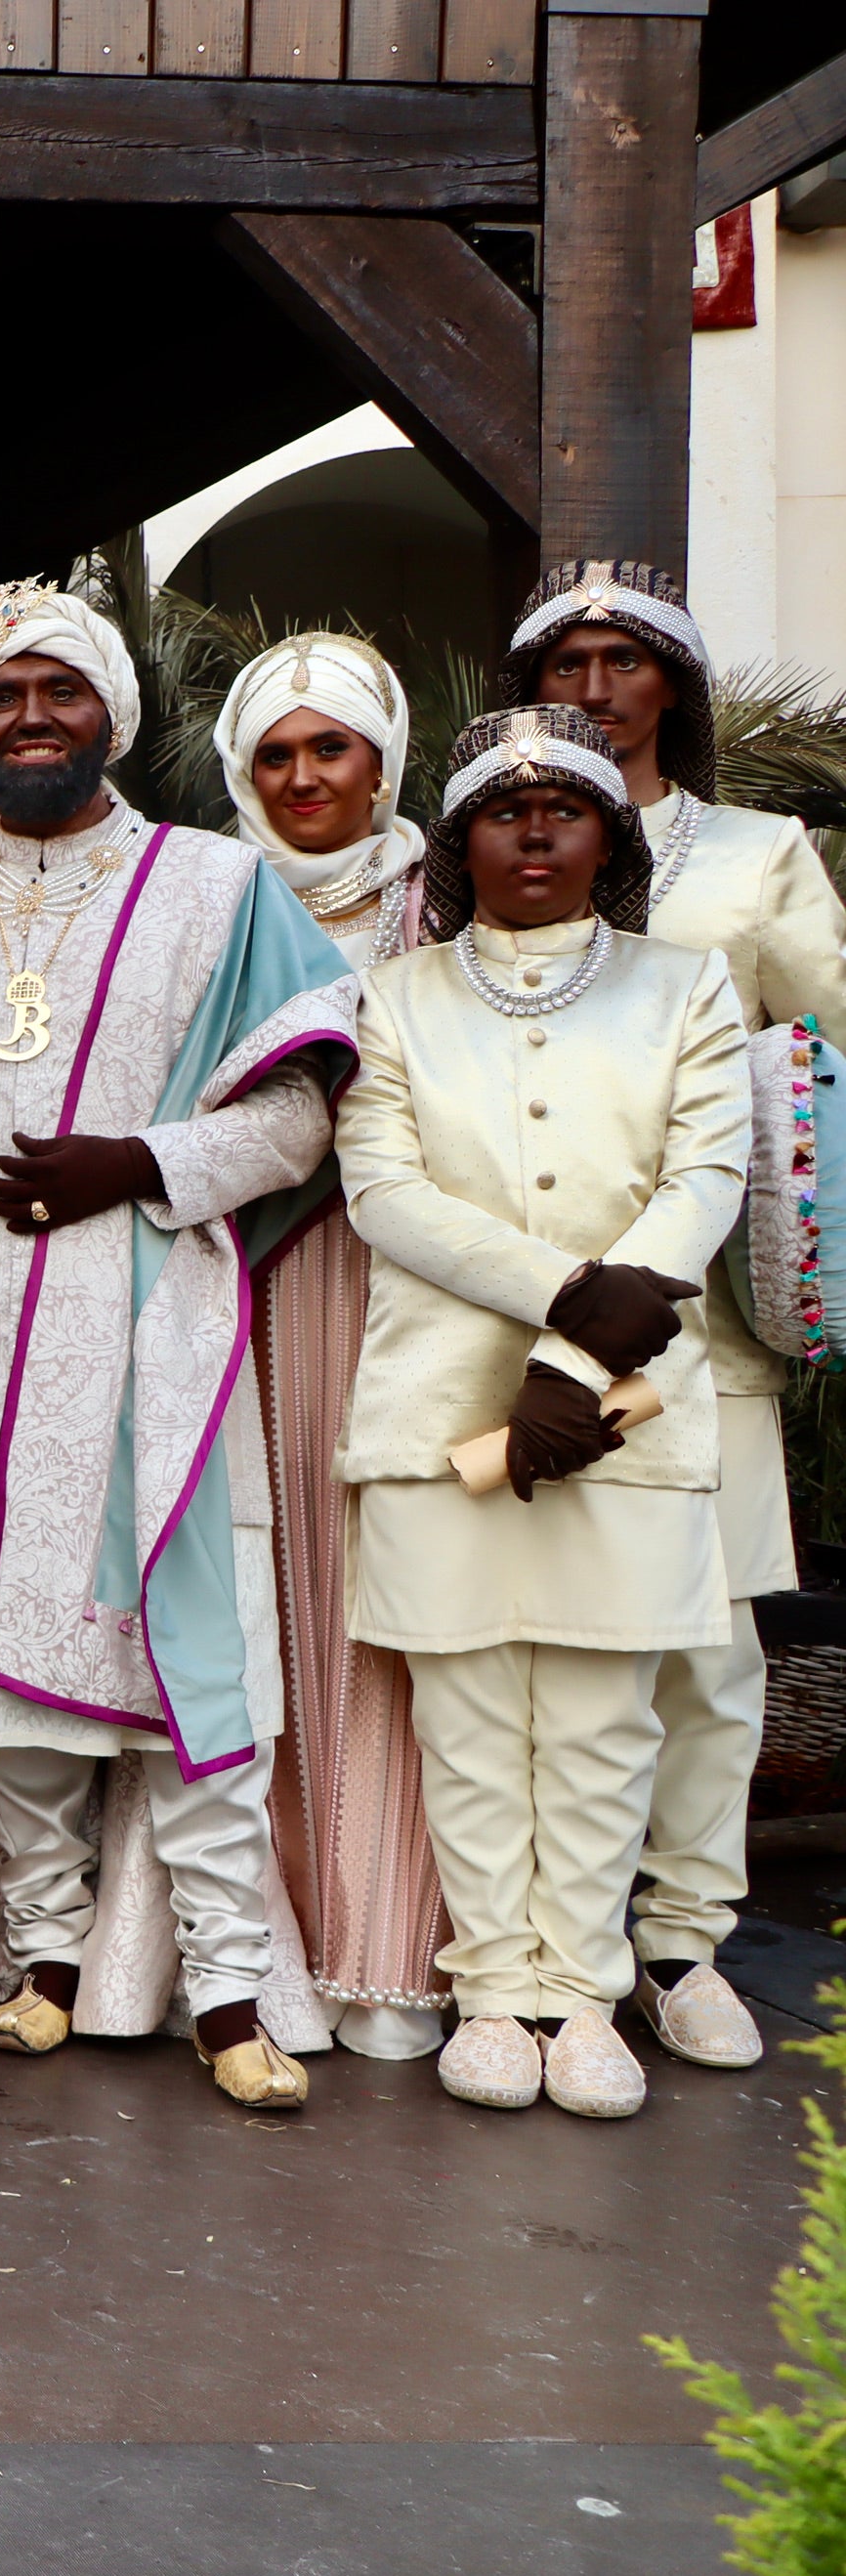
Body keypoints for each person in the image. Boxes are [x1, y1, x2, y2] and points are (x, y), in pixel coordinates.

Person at [0, 582, 354, 2113]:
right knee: (4, 1704)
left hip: (149, 1337)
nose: (31, 721)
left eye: (60, 694)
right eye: (2, 698)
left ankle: (225, 1983)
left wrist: (137, 1165)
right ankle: (46, 1956)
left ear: (115, 720)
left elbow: (300, 1117)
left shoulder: (221, 886)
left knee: (183, 1664)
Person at [335, 707, 743, 2118]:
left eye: (562, 810)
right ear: (457, 845)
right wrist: (576, 1294)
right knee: (464, 1719)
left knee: (599, 1720)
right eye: (501, 815)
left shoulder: (688, 987)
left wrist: (585, 1361)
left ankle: (584, 1994)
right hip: (436, 1405)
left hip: (628, 1408)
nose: (532, 833)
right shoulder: (396, 999)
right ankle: (492, 1989)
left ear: (609, 836)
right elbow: (384, 1194)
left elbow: (707, 1177)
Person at [497, 559, 842, 2073]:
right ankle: (534, 1951)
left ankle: (683, 1940)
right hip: (515, 1300)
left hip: (701, 1323)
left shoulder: (757, 856)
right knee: (533, 1640)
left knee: (706, 1647)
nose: (593, 681)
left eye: (623, 657)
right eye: (564, 656)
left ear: (672, 689)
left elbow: (824, 1053)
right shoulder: (483, 848)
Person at [208, 634, 448, 2063]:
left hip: (413, 1299)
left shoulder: (444, 907)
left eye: (331, 749)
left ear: (384, 763)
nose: (303, 779)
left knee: (395, 1600)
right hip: (250, 1295)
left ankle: (398, 1941)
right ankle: (274, 1933)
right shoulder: (217, 904)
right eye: (275, 756)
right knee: (270, 1598)